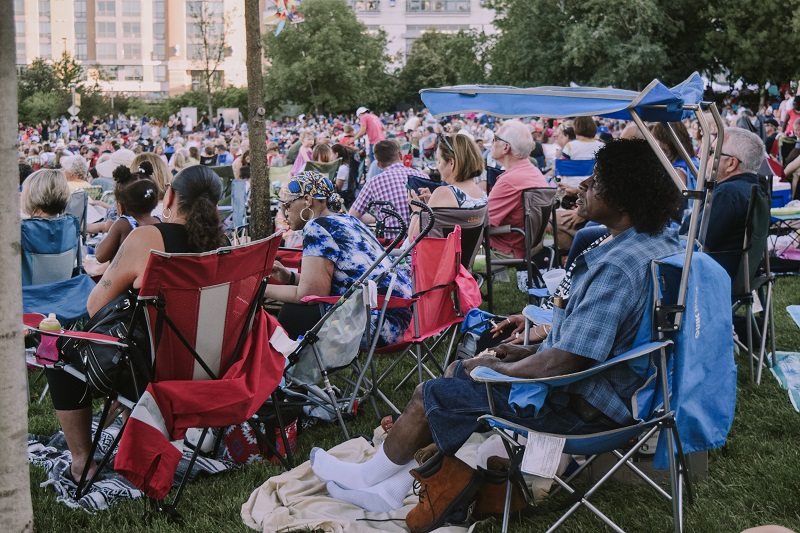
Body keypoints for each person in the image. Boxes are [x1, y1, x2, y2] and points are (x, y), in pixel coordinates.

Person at [308, 139, 683, 523]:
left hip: (586, 407)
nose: (584, 185)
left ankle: (372, 477)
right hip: (624, 393)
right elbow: (591, 344)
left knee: (433, 390)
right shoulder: (657, 242)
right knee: (461, 375)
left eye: (598, 179)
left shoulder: (617, 267)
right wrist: (526, 354)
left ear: (625, 196)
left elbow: (569, 361)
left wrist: (497, 371)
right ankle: (393, 486)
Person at [46, 165, 228, 483]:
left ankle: (81, 464)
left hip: (150, 370)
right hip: (213, 366)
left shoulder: (148, 238)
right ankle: (139, 434)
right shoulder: (225, 246)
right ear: (214, 205)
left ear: (169, 195)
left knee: (57, 348)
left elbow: (95, 306)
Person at [265, 171, 412, 344]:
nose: (285, 211)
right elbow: (330, 284)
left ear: (307, 200)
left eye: (287, 204)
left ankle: (287, 368)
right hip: (401, 317)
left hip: (378, 324)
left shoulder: (317, 227)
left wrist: (259, 291)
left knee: (294, 313)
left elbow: (310, 296)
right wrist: (289, 278)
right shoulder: (347, 220)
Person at [700, 127, 769, 279]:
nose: (703, 156)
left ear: (731, 163)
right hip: (740, 276)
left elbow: (698, 245)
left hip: (711, 277)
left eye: (712, 152)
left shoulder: (727, 194)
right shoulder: (756, 188)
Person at [487, 119, 550, 259]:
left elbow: (481, 221)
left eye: (495, 139)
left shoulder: (510, 181)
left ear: (506, 147)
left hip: (505, 251)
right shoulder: (533, 172)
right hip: (529, 247)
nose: (491, 143)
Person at [407, 133, 487, 239]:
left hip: (439, 255)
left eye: (439, 161)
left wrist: (417, 210)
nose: (438, 167)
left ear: (451, 163)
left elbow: (413, 241)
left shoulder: (443, 193)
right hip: (467, 255)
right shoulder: (481, 193)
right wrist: (432, 203)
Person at [349, 139, 428, 237]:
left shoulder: (373, 182)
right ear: (400, 155)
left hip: (393, 245)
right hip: (420, 240)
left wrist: (377, 218)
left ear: (379, 165)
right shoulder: (423, 176)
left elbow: (352, 216)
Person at [94, 163, 161, 264]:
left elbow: (100, 256)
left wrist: (98, 245)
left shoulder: (123, 224)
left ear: (120, 207)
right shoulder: (160, 222)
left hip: (126, 277)